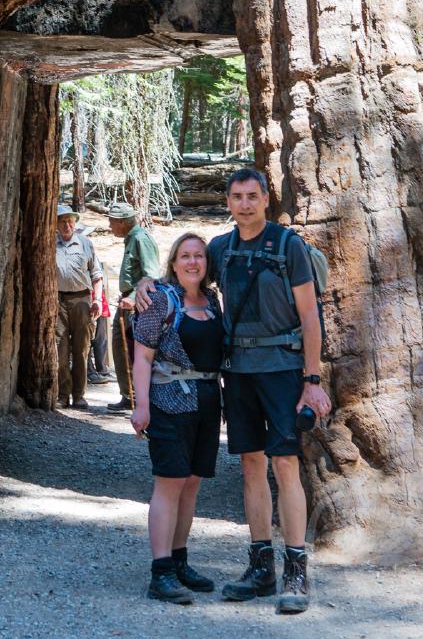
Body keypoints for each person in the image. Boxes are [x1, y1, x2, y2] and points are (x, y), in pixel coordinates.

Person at [136, 168, 332, 613]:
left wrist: (312, 379)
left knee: (284, 463)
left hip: (282, 370)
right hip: (238, 373)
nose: (244, 204)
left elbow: (309, 317)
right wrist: (145, 284)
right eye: (237, 197)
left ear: (266, 199)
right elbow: (183, 273)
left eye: (252, 196)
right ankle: (261, 566)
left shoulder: (289, 246)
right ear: (228, 202)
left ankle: (296, 570)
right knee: (250, 464)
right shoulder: (221, 249)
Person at [131, 233, 224, 604]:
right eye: (185, 256)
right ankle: (161, 571)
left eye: (198, 256)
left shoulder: (213, 302)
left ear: (206, 263)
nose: (192, 262)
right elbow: (142, 357)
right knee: (168, 485)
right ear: (173, 263)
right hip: (169, 402)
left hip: (206, 403)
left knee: (191, 485)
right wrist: (141, 407)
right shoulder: (159, 301)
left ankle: (180, 560)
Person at [105, 202, 161, 414]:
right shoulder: (131, 239)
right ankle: (128, 395)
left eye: (112, 222)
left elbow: (152, 275)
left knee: (131, 350)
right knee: (120, 348)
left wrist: (132, 297)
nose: (110, 226)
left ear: (121, 222)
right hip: (127, 302)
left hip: (137, 304)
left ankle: (138, 397)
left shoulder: (140, 239)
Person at [55, 204, 104, 411]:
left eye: (70, 221)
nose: (67, 225)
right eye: (62, 221)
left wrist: (98, 300)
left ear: (75, 223)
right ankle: (63, 395)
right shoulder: (51, 244)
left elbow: (97, 274)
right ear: (56, 224)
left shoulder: (85, 244)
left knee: (81, 349)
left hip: (82, 301)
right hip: (57, 301)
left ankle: (80, 395)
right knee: (60, 349)